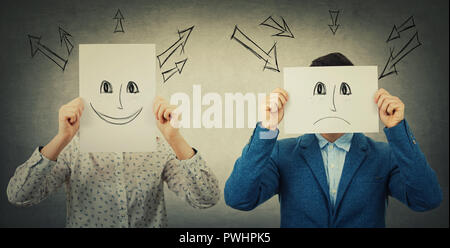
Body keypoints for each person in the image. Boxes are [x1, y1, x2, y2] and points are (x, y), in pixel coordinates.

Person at [224, 53, 442, 227]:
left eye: (345, 91)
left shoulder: (384, 155)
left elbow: (427, 199)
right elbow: (238, 198)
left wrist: (398, 130)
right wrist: (267, 128)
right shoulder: (283, 153)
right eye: (321, 91)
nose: (333, 105)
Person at [7, 96, 220, 227]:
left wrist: (174, 138)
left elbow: (206, 198)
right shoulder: (73, 149)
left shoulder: (158, 148)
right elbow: (19, 195)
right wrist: (61, 138)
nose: (119, 102)